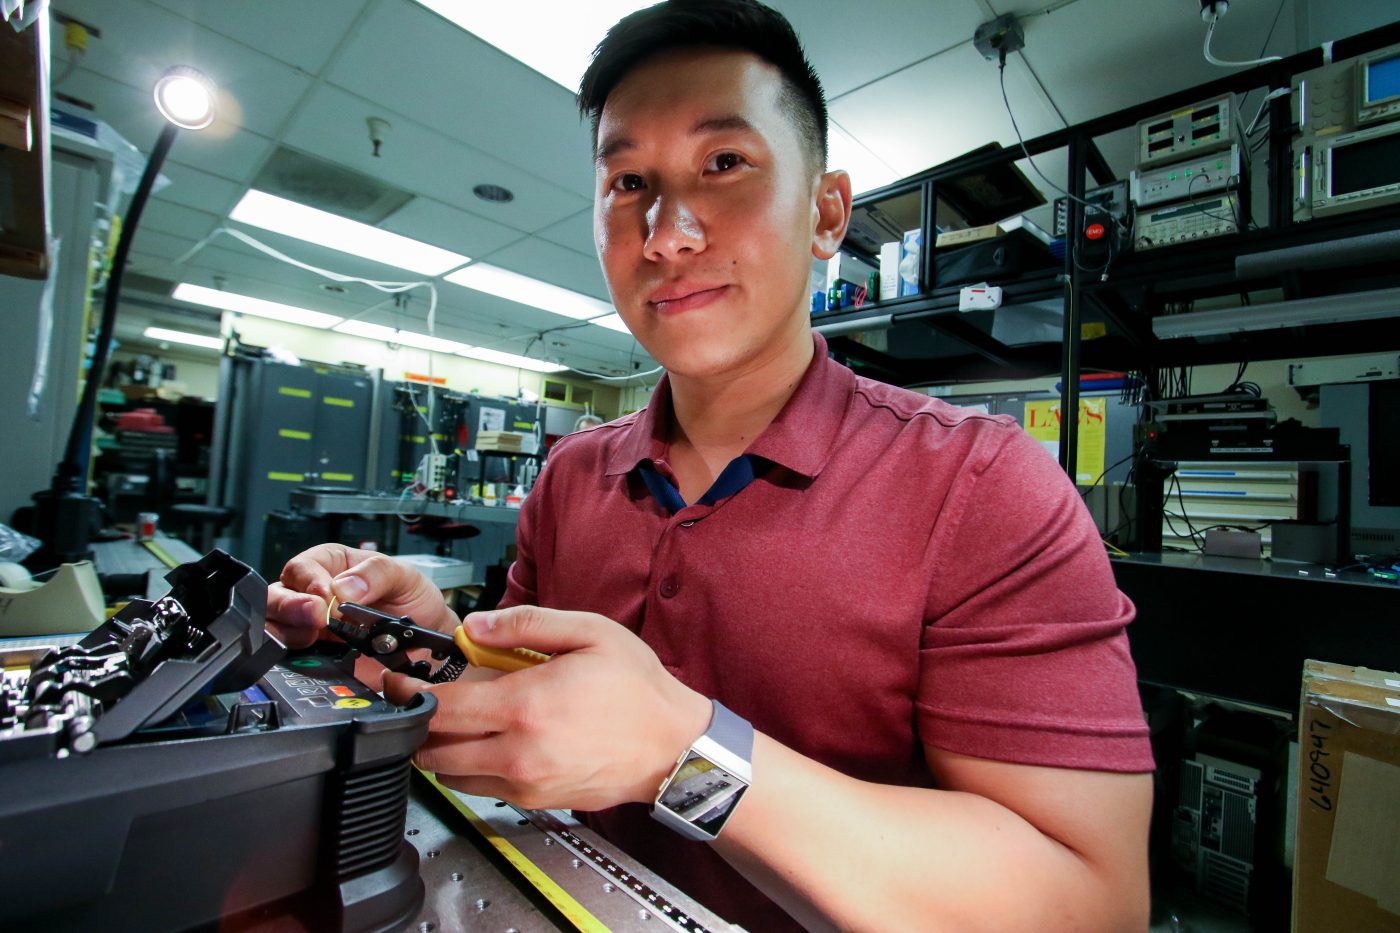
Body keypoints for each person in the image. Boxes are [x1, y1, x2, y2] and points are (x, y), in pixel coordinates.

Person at [268, 2, 1155, 929]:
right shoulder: (573, 478)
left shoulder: (983, 488)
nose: (666, 232)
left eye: (724, 164)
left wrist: (686, 756)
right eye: (628, 181)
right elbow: (540, 722)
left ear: (826, 212)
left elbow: (1090, 905)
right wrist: (428, 640)